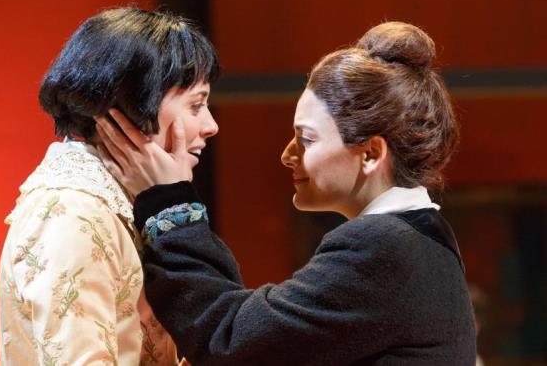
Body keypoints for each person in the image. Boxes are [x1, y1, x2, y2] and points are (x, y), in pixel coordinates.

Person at [96, 22, 477, 365]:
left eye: (306, 139)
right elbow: (247, 326)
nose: (286, 155)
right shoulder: (423, 237)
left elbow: (229, 341)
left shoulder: (385, 246)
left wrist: (169, 201)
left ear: (371, 153)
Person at [0, 7, 219, 365]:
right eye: (196, 105)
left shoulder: (116, 203)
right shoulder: (73, 212)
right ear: (131, 106)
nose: (210, 126)